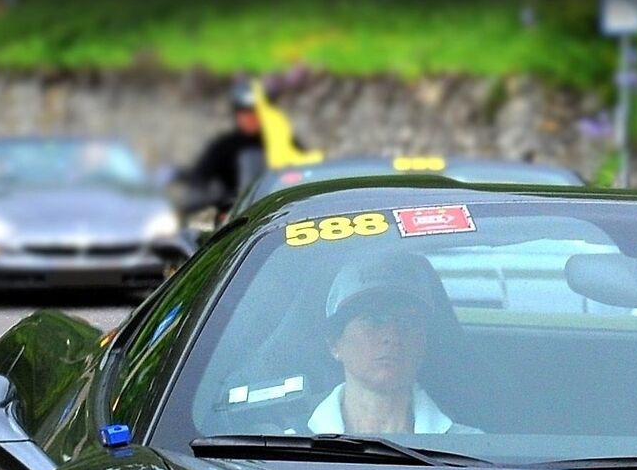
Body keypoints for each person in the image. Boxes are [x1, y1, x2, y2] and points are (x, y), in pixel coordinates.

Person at [306, 253, 476, 436]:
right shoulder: (290, 440)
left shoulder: (470, 446)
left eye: (408, 322)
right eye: (373, 320)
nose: (392, 336)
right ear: (334, 344)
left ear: (424, 342)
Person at [180, 81, 268, 214]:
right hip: (236, 215)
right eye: (245, 113)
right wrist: (214, 205)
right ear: (237, 114)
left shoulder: (280, 141)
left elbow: (300, 168)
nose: (251, 118)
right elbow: (200, 177)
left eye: (256, 112)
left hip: (277, 211)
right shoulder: (223, 147)